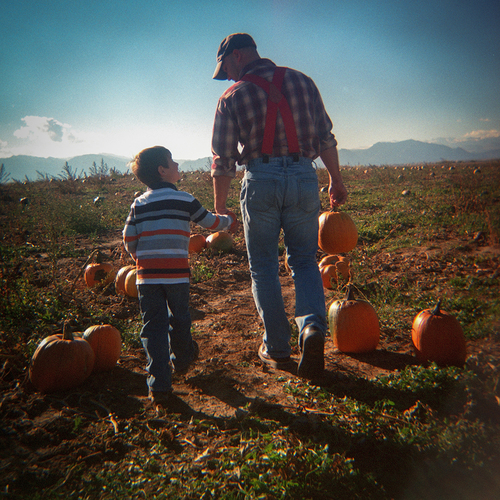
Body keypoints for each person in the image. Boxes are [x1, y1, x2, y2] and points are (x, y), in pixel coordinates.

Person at [210, 33, 348, 380]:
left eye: (225, 66)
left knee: (263, 267)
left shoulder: (231, 96)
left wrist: (220, 205)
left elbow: (223, 158)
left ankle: (277, 346)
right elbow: (326, 136)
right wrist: (335, 179)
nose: (225, 75)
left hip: (262, 180)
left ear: (237, 56)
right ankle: (312, 327)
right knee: (304, 259)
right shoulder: (302, 81)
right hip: (303, 176)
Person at [123, 146, 238, 406]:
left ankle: (159, 384)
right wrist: (229, 221)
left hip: (146, 277)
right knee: (180, 316)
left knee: (153, 327)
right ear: (163, 171)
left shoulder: (138, 203)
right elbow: (209, 222)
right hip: (176, 275)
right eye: (172, 162)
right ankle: (183, 357)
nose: (177, 165)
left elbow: (128, 238)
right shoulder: (185, 199)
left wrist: (138, 260)